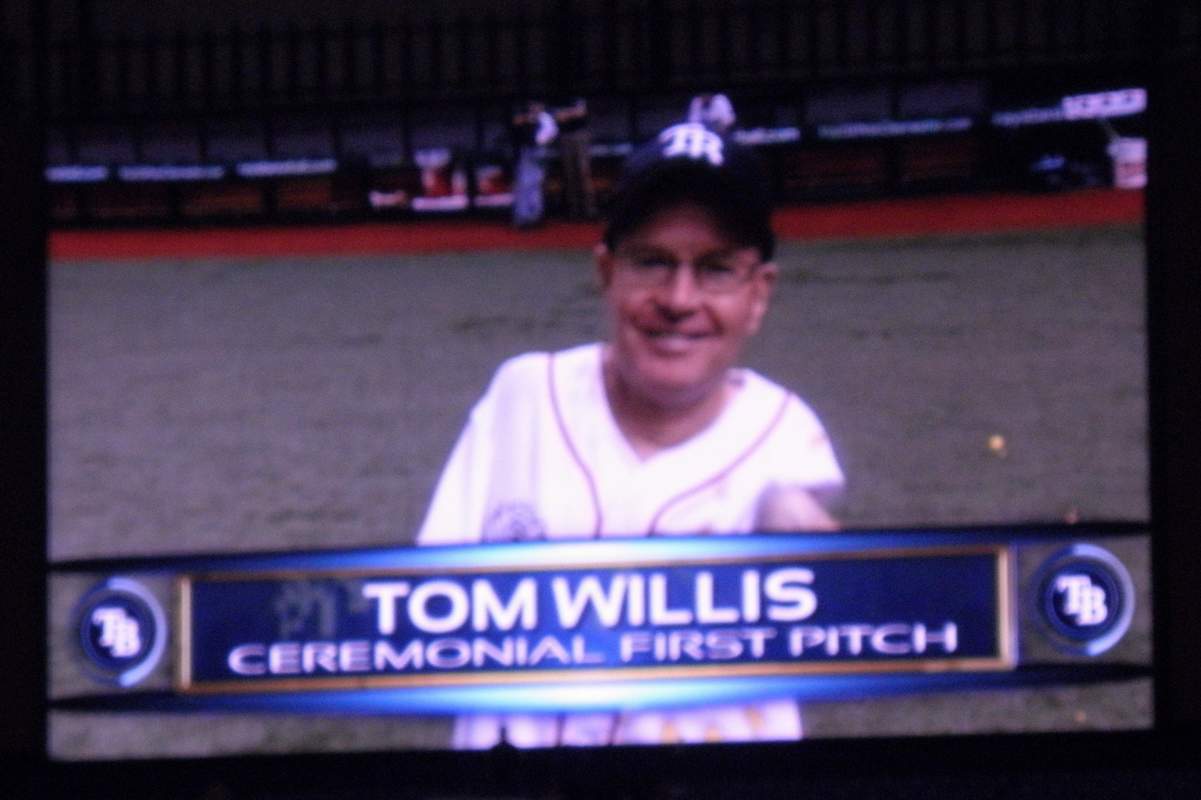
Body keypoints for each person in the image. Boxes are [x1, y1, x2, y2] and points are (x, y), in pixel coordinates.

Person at [418, 122, 844, 748]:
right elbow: (427, 607)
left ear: (759, 295)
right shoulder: (525, 397)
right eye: (652, 262)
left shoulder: (783, 433)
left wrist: (808, 550)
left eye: (717, 270)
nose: (679, 299)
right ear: (606, 272)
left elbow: (812, 549)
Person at [511, 100, 558, 228]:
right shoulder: (524, 116)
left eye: (537, 105)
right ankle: (523, 217)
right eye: (533, 105)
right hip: (525, 151)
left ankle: (535, 216)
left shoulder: (545, 118)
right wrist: (528, 120)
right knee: (524, 184)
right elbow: (516, 127)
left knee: (535, 184)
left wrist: (538, 139)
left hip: (539, 152)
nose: (535, 107)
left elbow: (548, 135)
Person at [553, 97, 598, 220]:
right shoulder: (558, 98)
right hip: (564, 136)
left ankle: (590, 210)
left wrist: (567, 114)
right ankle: (574, 210)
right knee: (569, 174)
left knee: (584, 172)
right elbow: (558, 117)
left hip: (580, 135)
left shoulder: (578, 97)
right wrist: (571, 113)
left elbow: (581, 112)